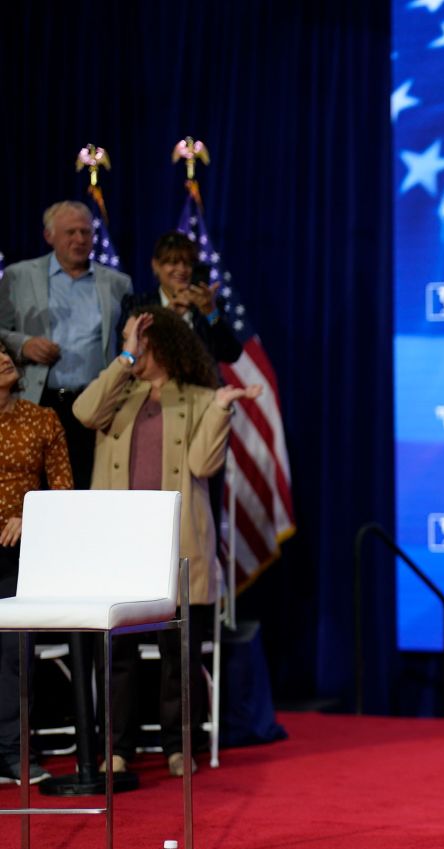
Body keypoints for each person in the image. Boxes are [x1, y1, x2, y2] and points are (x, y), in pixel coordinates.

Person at [73, 308, 260, 776]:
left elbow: (202, 466)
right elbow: (82, 412)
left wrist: (219, 409)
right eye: (128, 340)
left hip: (177, 544)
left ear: (164, 345)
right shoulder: (118, 394)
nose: (133, 347)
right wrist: (124, 355)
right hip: (120, 544)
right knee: (118, 653)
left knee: (180, 654)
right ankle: (118, 747)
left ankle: (179, 746)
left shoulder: (200, 398)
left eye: (140, 340)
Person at [0, 200, 132, 490]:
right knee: (41, 491)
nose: (80, 239)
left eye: (86, 232)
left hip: (95, 405)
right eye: (70, 232)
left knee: (88, 488)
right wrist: (24, 345)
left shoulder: (117, 283)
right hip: (39, 401)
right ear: (49, 236)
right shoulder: (18, 276)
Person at [0, 351, 73, 784]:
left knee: (13, 653)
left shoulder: (42, 419)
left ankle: (12, 752)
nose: (5, 358)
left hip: (19, 556)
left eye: (6, 353)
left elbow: (63, 491)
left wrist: (32, 517)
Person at [121, 231, 243, 367]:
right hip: (152, 387)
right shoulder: (136, 305)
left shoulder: (210, 304)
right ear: (155, 265)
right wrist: (165, 317)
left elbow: (232, 354)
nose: (182, 269)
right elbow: (127, 359)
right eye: (173, 262)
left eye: (188, 263)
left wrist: (211, 313)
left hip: (202, 387)